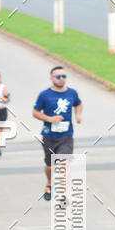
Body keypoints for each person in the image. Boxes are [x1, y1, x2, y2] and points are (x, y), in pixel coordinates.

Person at [33, 65, 83, 200]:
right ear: (51, 78)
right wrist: (50, 119)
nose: (61, 79)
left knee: (63, 161)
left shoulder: (72, 93)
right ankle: (49, 183)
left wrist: (78, 115)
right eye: (58, 77)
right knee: (50, 165)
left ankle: (63, 193)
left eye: (64, 76)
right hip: (49, 135)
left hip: (66, 135)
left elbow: (78, 104)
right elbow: (35, 112)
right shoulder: (45, 95)